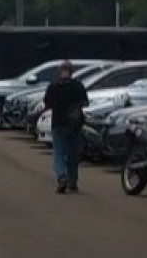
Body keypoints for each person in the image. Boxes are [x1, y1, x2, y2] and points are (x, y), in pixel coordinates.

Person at [43, 60, 89, 194]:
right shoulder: (78, 86)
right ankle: (72, 182)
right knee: (72, 154)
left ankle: (61, 176)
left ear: (59, 72)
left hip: (58, 123)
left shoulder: (53, 87)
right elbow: (85, 103)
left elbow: (47, 103)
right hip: (74, 124)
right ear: (72, 72)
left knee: (58, 152)